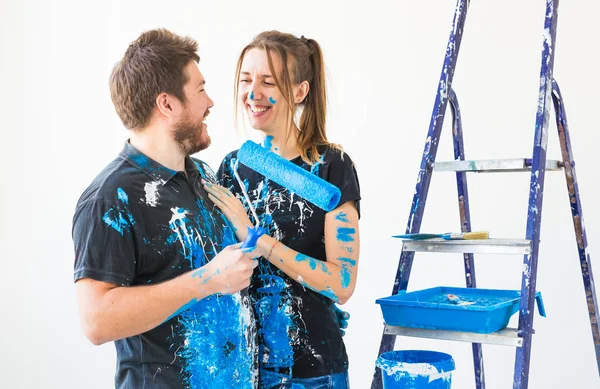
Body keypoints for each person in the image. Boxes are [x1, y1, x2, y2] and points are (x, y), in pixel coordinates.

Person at [72, 28, 259, 389]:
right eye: (201, 89)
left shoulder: (202, 175)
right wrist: (209, 279)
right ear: (167, 104)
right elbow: (96, 321)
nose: (211, 102)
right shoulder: (110, 199)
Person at [205, 31, 361, 389]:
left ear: (299, 91)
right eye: (246, 80)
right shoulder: (232, 169)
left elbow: (343, 283)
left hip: (313, 374)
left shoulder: (330, 167)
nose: (253, 93)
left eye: (268, 81)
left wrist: (259, 241)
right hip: (244, 371)